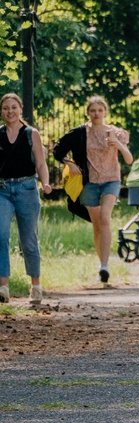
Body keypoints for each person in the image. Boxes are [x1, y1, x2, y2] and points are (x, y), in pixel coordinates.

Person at [52, 96, 132, 284]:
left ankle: (105, 266)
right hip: (89, 183)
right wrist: (69, 163)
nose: (96, 114)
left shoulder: (116, 132)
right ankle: (101, 263)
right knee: (97, 224)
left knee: (105, 218)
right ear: (88, 112)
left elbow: (129, 160)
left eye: (100, 110)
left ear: (105, 112)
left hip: (111, 180)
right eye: (93, 110)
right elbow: (57, 149)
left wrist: (117, 144)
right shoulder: (80, 133)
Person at [0, 93, 52, 305]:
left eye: (13, 107)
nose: (9, 111)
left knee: (28, 240)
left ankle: (36, 286)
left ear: (20, 109)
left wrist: (45, 182)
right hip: (2, 190)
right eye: (5, 108)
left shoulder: (32, 134)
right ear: (1, 112)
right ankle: (3, 287)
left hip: (27, 189)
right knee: (0, 235)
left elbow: (40, 163)